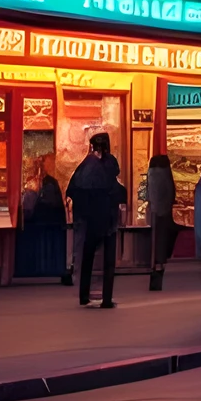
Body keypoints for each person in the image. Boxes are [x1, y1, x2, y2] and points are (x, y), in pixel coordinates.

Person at [67, 132, 126, 308]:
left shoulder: (86, 166)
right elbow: (115, 183)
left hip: (91, 219)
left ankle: (84, 295)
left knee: (88, 256)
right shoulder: (109, 165)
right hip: (108, 218)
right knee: (108, 259)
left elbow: (74, 189)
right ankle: (106, 297)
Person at [143, 155, 180, 291]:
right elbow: (170, 194)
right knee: (163, 240)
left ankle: (155, 265)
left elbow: (145, 194)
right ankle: (160, 265)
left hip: (153, 212)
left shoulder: (151, 173)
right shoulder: (165, 174)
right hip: (164, 212)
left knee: (155, 240)